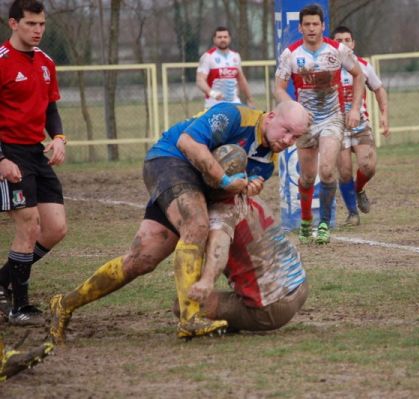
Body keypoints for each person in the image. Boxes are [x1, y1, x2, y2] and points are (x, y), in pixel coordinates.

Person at [48, 101, 311, 344]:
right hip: (171, 160)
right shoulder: (234, 115)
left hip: (201, 187)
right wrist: (225, 180)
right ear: (272, 116)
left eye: (295, 137)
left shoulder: (266, 161)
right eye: (286, 131)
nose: (288, 140)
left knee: (141, 259)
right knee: (196, 225)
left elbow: (229, 198)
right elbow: (188, 142)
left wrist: (246, 187)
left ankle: (64, 304)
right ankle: (189, 319)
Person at [0, 0, 67, 326]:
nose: (38, 30)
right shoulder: (1, 62)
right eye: (30, 24)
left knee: (55, 228)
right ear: (13, 24)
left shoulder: (46, 63)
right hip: (8, 153)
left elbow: (50, 109)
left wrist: (58, 138)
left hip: (36, 153)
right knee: (28, 225)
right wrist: (1, 159)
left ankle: (2, 282)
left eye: (41, 24)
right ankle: (19, 306)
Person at [275, 4, 364, 244]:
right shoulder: (291, 54)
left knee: (326, 170)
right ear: (300, 27)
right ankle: (306, 221)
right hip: (304, 123)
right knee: (307, 176)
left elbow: (359, 75)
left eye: (316, 24)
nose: (311, 28)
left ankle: (323, 224)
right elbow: (279, 89)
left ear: (323, 26)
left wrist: (354, 108)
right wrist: (295, 110)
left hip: (332, 118)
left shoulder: (337, 50)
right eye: (307, 25)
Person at [186, 191, 308, 333]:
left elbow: (219, 249)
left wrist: (206, 281)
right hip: (299, 284)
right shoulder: (247, 192)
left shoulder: (221, 213)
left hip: (272, 306)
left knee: (184, 306)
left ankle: (228, 324)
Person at [331, 26, 390, 226]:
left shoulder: (363, 65)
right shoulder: (327, 67)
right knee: (345, 170)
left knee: (369, 165)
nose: (343, 44)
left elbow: (379, 89)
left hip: (360, 122)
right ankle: (352, 214)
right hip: (336, 125)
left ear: (353, 44)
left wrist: (384, 115)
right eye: (339, 40)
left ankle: (358, 189)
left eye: (347, 40)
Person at [196, 26, 254, 110]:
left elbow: (241, 79)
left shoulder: (235, 56)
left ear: (229, 39)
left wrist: (249, 98)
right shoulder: (208, 56)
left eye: (225, 37)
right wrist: (212, 93)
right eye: (219, 37)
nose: (222, 39)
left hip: (234, 103)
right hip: (214, 105)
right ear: (214, 39)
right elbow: (200, 80)